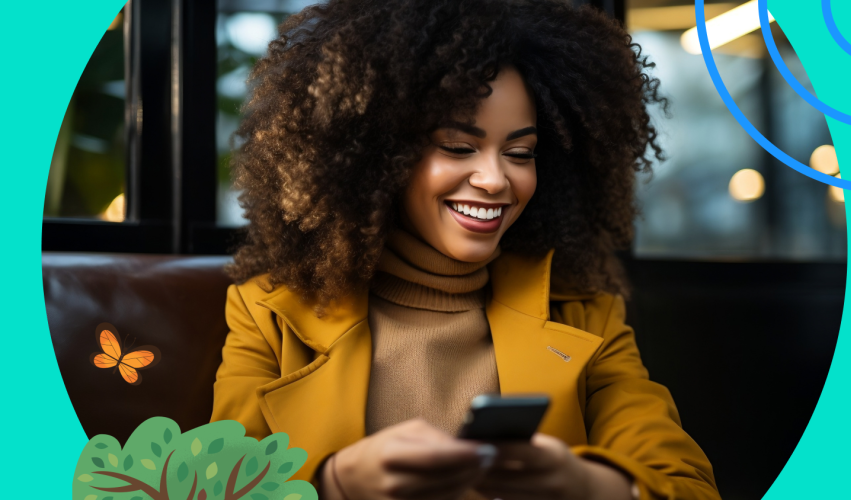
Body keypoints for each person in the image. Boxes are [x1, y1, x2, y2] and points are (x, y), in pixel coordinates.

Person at [210, 0, 720, 499]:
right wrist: (335, 484)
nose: (495, 179)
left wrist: (585, 484)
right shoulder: (266, 313)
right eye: (458, 147)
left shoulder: (586, 313)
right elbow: (215, 488)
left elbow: (685, 484)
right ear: (380, 156)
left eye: (520, 153)